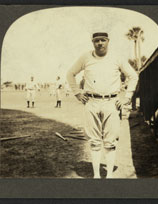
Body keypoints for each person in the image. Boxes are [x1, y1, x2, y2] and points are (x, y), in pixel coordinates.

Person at [66, 32, 138, 179]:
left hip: (111, 103)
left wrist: (127, 97)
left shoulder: (116, 57)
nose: (100, 43)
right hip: (91, 102)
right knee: (94, 141)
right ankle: (97, 175)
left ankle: (109, 175)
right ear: (93, 42)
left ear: (108, 41)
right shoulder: (85, 57)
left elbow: (133, 76)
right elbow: (70, 73)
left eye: (103, 40)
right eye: (96, 40)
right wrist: (77, 93)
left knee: (110, 142)